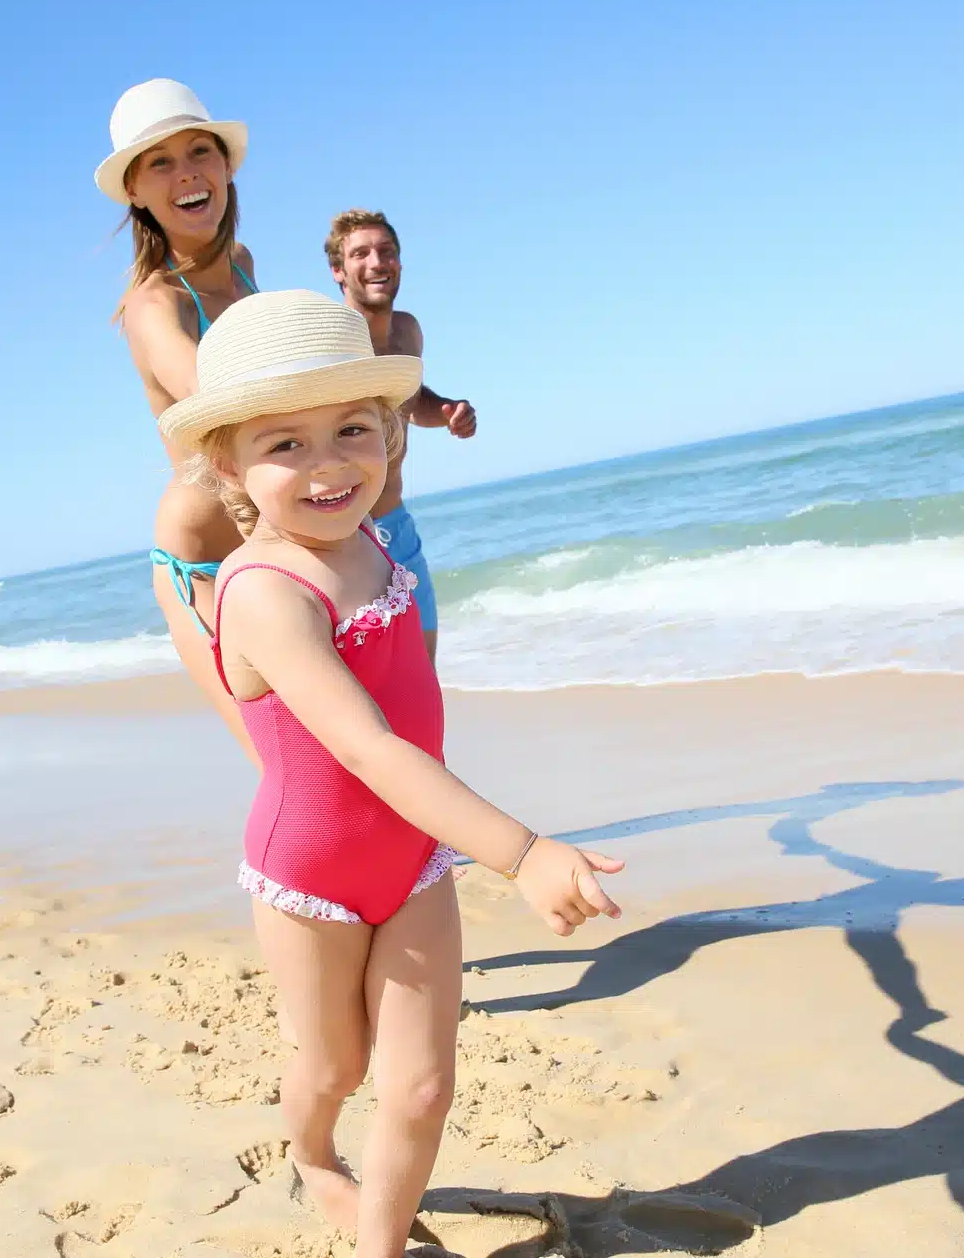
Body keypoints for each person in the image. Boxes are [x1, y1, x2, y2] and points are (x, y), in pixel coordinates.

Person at [159, 289, 623, 1257]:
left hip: (410, 865)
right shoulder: (260, 593)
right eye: (285, 443)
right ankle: (316, 1153)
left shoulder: (374, 541)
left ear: (388, 435)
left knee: (417, 1083)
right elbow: (368, 746)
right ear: (227, 462)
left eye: (351, 431)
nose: (329, 466)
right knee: (333, 1064)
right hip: (310, 882)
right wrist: (522, 851)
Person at [99, 78, 263, 761]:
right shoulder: (153, 304)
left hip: (274, 533)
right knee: (282, 759)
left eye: (200, 150)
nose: (187, 172)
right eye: (159, 162)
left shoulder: (246, 267)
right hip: (202, 564)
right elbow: (216, 400)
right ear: (135, 190)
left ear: (226, 166)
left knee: (348, 738)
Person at [325, 210, 475, 662]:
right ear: (338, 271)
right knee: (376, 680)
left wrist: (447, 411)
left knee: (423, 673)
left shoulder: (407, 331)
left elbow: (410, 401)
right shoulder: (331, 342)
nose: (377, 262)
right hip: (350, 534)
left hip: (397, 526)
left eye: (386, 251)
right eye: (360, 253)